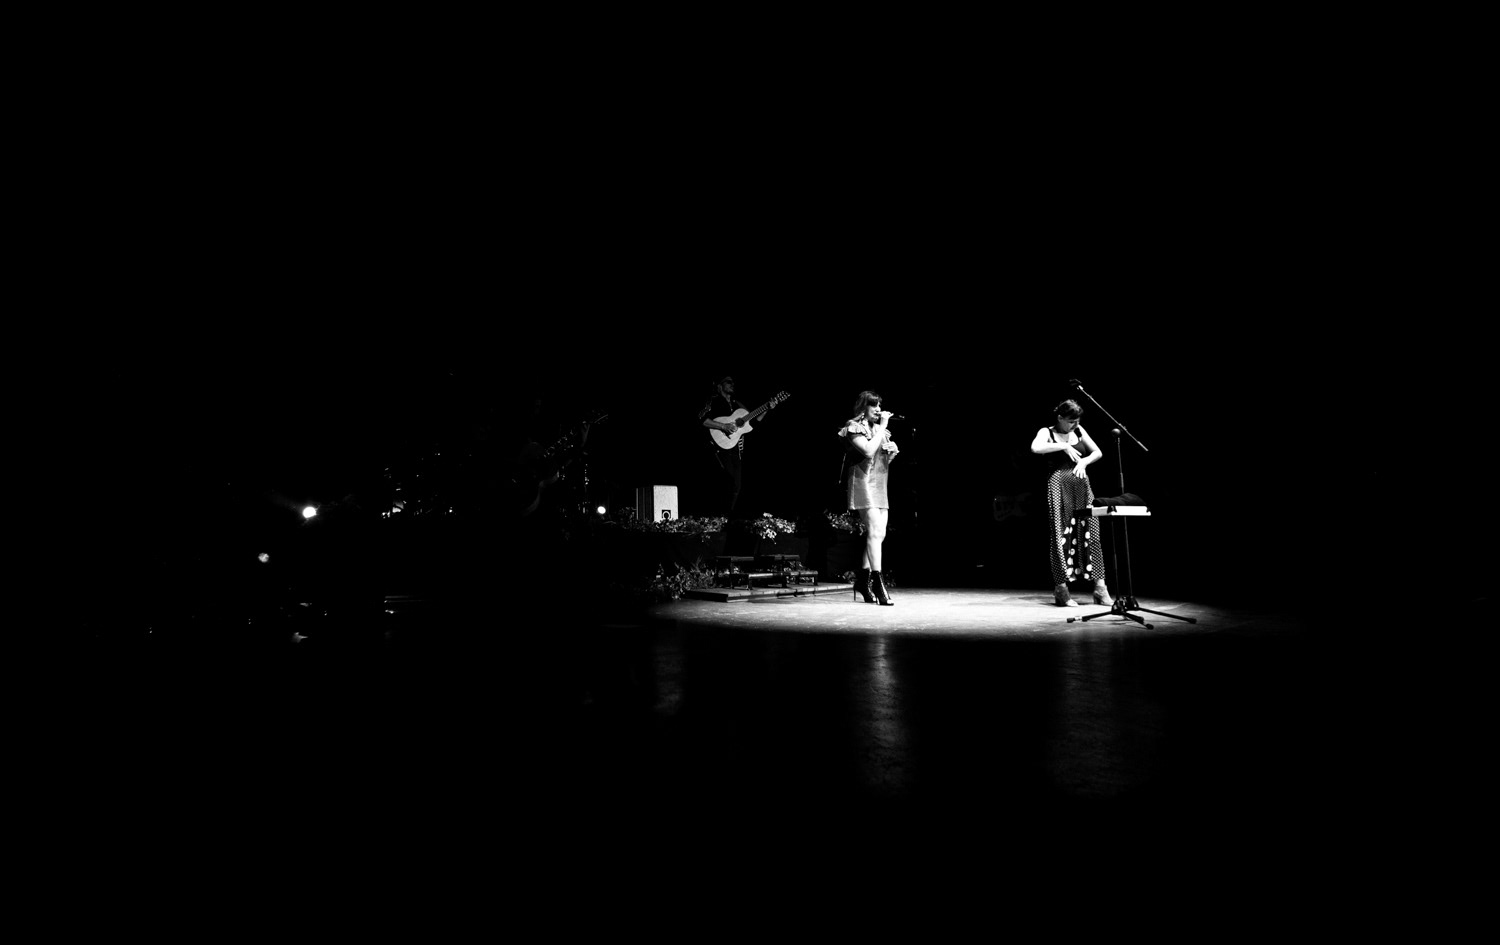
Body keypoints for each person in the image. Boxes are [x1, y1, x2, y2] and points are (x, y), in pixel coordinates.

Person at [1030, 398, 1113, 607]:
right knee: (1061, 536)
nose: (1075, 425)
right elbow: (1035, 448)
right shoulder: (1046, 432)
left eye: (1077, 421)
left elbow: (1097, 452)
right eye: (1071, 421)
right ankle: (1061, 589)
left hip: (1083, 487)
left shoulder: (1079, 430)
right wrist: (1063, 445)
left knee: (1092, 534)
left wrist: (1085, 461)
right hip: (1058, 487)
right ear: (1060, 418)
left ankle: (1100, 588)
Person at [839, 390, 899, 605]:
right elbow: (867, 451)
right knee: (874, 531)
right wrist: (883, 427)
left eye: (879, 405)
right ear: (863, 407)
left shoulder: (879, 429)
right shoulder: (853, 427)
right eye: (873, 405)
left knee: (879, 534)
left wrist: (892, 451)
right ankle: (878, 584)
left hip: (880, 483)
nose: (878, 409)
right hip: (863, 482)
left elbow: (881, 460)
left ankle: (863, 582)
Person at [697, 375, 773, 515]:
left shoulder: (738, 404)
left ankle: (730, 515)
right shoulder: (713, 401)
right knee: (727, 482)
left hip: (736, 447)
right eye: (728, 382)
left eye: (733, 382)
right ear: (720, 386)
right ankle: (719, 515)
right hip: (719, 446)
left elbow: (752, 423)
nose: (732, 384)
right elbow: (702, 419)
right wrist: (723, 426)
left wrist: (767, 408)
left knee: (737, 485)